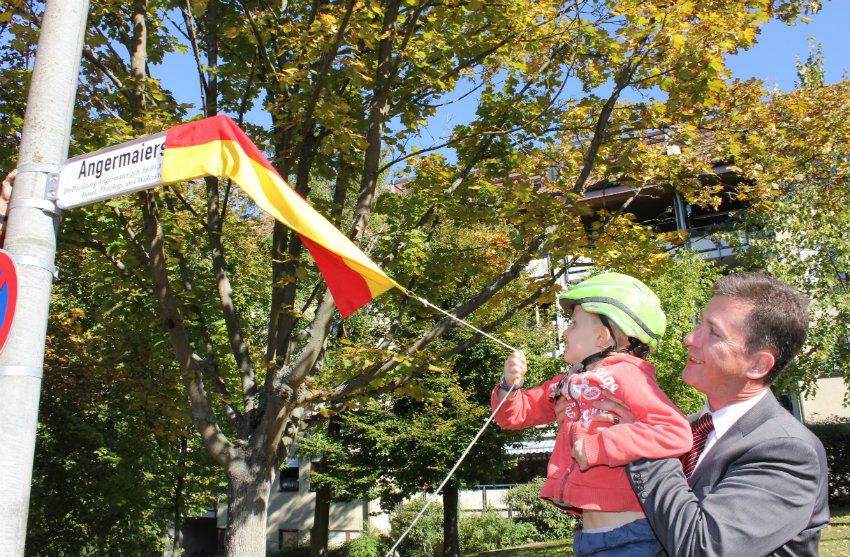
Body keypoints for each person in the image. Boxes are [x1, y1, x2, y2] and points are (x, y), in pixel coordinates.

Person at [596, 272, 829, 557]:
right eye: (699, 323)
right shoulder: (687, 429)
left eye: (714, 332)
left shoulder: (788, 450)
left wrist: (642, 443)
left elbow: (702, 547)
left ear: (757, 364)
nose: (689, 338)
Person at [493, 272, 693, 557]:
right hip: (591, 536)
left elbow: (674, 431)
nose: (564, 332)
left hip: (632, 535)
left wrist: (599, 446)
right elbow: (513, 416)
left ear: (602, 337)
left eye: (573, 324)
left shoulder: (626, 374)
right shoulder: (568, 382)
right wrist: (508, 386)